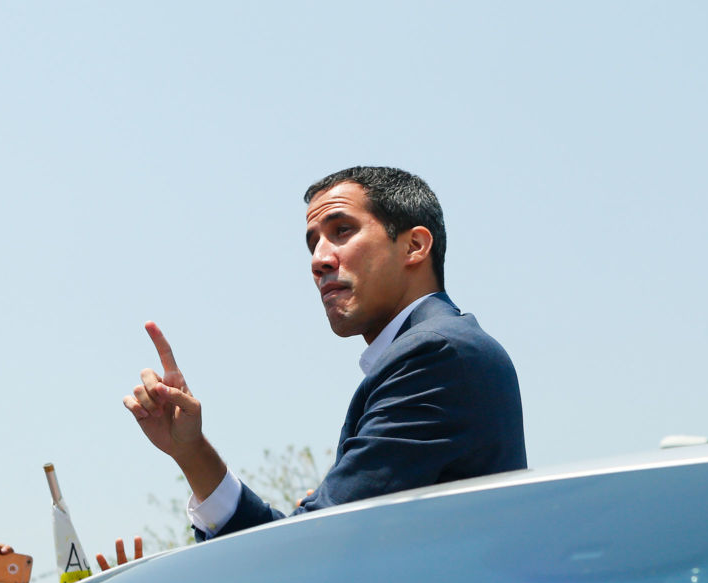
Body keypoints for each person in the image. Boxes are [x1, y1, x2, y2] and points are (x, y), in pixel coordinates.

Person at [124, 166, 527, 540]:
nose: (319, 260)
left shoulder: (436, 355)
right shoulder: (433, 352)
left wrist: (314, 516)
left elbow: (315, 546)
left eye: (342, 231)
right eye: (312, 242)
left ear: (415, 246)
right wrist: (190, 451)